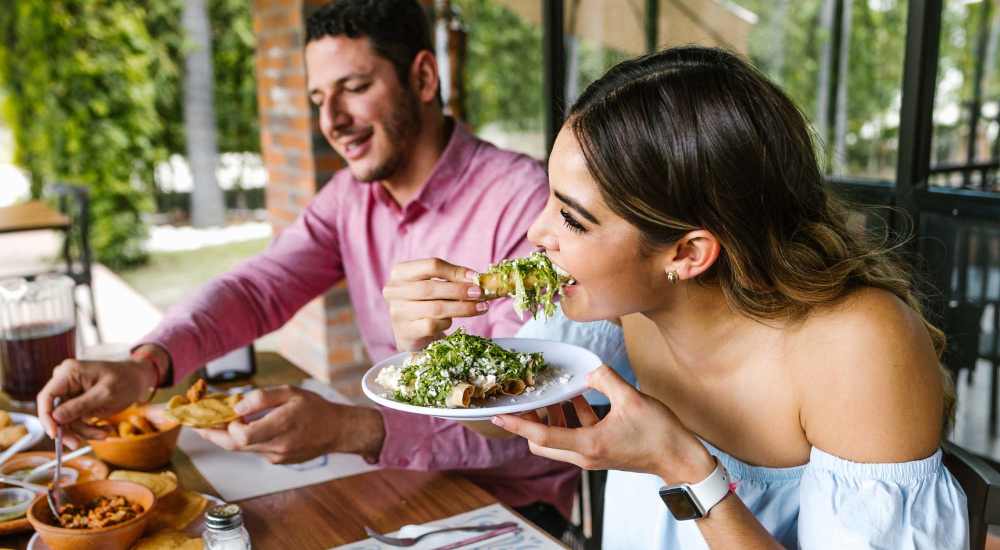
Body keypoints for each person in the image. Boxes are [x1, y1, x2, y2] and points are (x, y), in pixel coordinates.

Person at [385, 46, 968, 548]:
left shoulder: (858, 348)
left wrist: (684, 467)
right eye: (550, 200)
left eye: (573, 219)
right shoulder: (623, 309)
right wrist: (426, 353)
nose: (537, 235)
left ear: (688, 254)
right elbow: (512, 420)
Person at [34, 0, 578, 532]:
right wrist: (146, 365)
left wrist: (352, 428)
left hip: (511, 508)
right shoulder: (348, 198)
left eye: (355, 88)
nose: (331, 121)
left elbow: (524, 417)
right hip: (396, 480)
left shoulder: (523, 204)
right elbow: (258, 288)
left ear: (424, 77)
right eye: (319, 98)